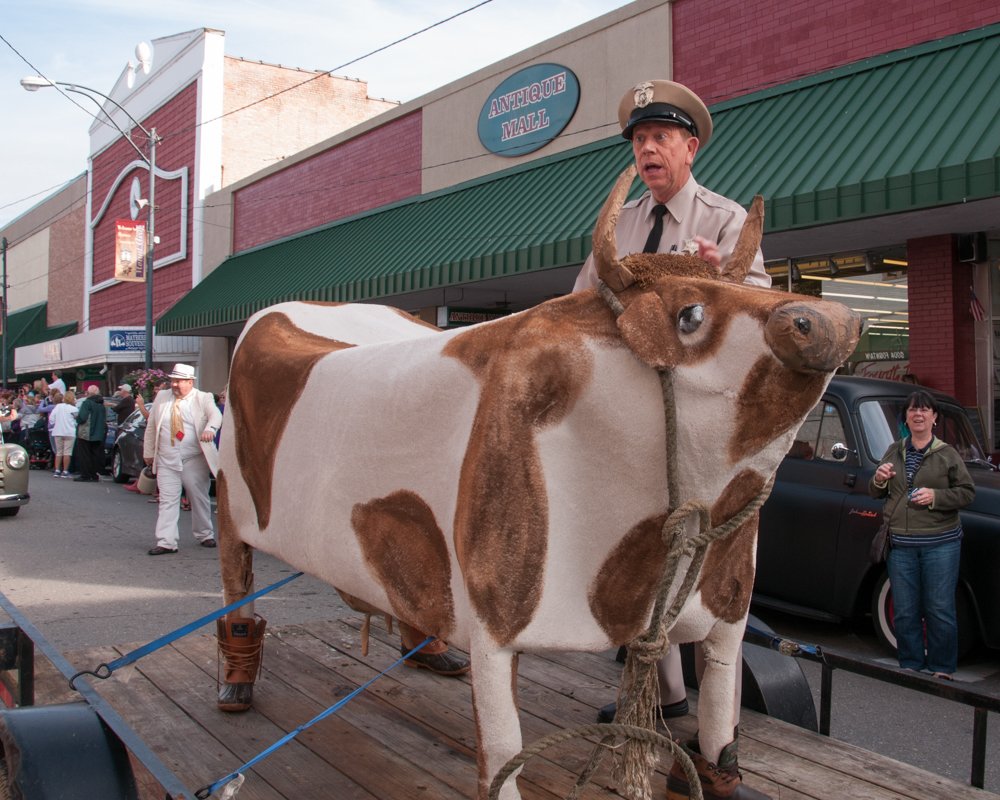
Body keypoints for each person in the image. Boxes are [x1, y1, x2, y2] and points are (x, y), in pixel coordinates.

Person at [573, 79, 769, 798]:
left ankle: (716, 746)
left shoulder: (724, 222)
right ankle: (665, 700)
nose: (647, 148)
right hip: (629, 424)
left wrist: (727, 285)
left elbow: (763, 319)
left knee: (706, 572)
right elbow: (576, 308)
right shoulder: (617, 226)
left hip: (701, 431)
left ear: (691, 147)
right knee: (642, 560)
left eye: (661, 137)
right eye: (638, 139)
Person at [870, 390, 975, 679]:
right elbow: (876, 491)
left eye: (925, 410)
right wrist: (878, 479)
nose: (918, 414)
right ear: (906, 417)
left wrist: (936, 497)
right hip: (901, 545)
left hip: (940, 544)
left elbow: (967, 493)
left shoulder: (947, 454)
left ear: (934, 417)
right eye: (913, 410)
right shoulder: (894, 450)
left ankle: (942, 668)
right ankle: (911, 664)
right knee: (904, 609)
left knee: (939, 608)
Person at [143, 364, 222, 554]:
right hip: (166, 458)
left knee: (198, 496)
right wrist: (148, 451)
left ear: (190, 381)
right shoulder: (162, 397)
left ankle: (205, 534)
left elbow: (216, 416)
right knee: (167, 500)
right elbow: (152, 426)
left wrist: (210, 429)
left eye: (179, 381)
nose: (175, 385)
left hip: (193, 458)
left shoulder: (203, 398)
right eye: (173, 381)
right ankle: (166, 541)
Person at [74, 385, 108, 482]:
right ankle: (94, 474)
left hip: (87, 432)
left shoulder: (87, 403)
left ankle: (85, 474)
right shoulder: (101, 404)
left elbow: (82, 417)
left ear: (88, 393)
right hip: (99, 432)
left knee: (84, 454)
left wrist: (77, 419)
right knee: (95, 454)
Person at [48, 391, 79, 477]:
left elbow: (51, 419)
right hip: (70, 432)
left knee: (59, 452)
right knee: (67, 452)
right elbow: (77, 420)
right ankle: (65, 471)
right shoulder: (74, 409)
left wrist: (56, 423)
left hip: (58, 431)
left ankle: (57, 470)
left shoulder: (58, 407)